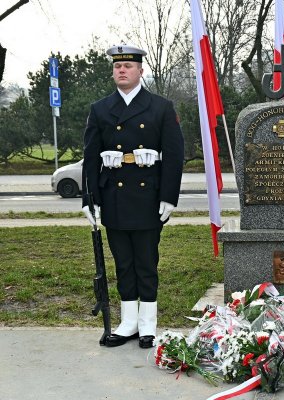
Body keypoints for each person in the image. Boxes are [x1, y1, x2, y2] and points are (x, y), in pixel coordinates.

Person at [81, 44, 184, 349]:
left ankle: (148, 324)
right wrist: (90, 198)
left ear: (140, 70)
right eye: (117, 66)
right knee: (122, 263)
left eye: (128, 66)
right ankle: (128, 323)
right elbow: (90, 158)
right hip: (114, 196)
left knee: (146, 262)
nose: (122, 70)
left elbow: (175, 155)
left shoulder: (160, 107)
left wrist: (169, 196)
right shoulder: (100, 109)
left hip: (147, 197)